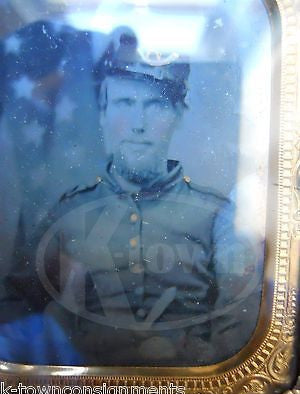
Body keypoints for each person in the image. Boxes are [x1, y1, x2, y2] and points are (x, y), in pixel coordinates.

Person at [1, 32, 263, 367]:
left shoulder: (217, 217)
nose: (139, 125)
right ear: (103, 114)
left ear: (178, 116)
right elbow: (11, 310)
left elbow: (241, 333)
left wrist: (191, 371)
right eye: (125, 104)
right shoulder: (71, 213)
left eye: (155, 106)